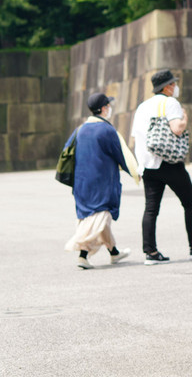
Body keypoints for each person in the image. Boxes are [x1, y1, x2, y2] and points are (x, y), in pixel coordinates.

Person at [131, 69, 192, 265]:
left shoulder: (142, 106)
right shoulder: (170, 103)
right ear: (168, 86)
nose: (176, 87)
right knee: (190, 203)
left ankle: (150, 253)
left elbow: (135, 137)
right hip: (168, 163)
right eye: (174, 83)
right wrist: (184, 117)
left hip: (148, 165)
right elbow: (177, 128)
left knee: (151, 209)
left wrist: (140, 165)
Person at [64, 92, 141, 269]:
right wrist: (136, 173)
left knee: (93, 217)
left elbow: (67, 153)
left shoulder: (80, 129)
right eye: (108, 105)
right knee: (100, 217)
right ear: (104, 108)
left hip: (82, 183)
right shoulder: (107, 130)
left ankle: (114, 253)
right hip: (101, 184)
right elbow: (121, 154)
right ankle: (81, 250)